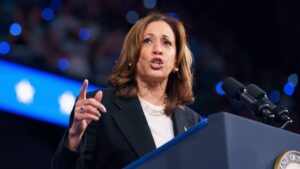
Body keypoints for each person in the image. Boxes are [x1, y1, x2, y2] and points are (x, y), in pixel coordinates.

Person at [51, 12, 201, 169]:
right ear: (133, 55)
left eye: (167, 43)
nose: (158, 49)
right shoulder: (99, 106)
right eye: (148, 41)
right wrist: (74, 138)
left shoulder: (192, 122)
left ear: (176, 61)